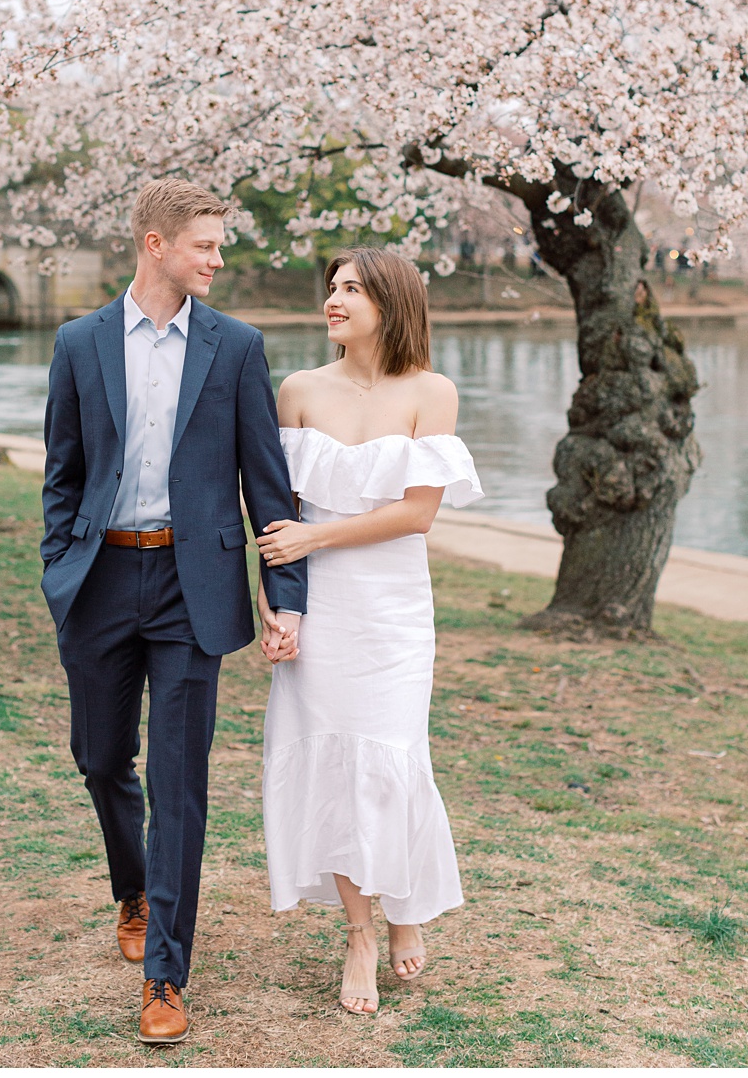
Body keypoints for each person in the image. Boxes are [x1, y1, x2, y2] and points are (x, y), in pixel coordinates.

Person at [40, 178, 306, 1046]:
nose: (218, 259)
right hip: (100, 580)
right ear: (155, 244)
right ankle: (132, 889)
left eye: (219, 244)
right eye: (206, 244)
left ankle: (166, 971)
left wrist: (285, 596)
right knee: (100, 758)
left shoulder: (237, 347)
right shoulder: (79, 342)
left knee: (179, 780)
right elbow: (62, 472)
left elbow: (267, 483)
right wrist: (57, 567)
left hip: (196, 588)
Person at [252, 246, 482, 1015]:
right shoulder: (298, 389)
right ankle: (360, 931)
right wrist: (274, 604)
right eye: (332, 286)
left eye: (352, 287)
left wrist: (314, 538)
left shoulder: (431, 392)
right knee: (330, 764)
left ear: (392, 300)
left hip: (391, 610)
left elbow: (416, 513)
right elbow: (274, 511)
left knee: (391, 758)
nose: (334, 298)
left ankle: (404, 905)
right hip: (317, 605)